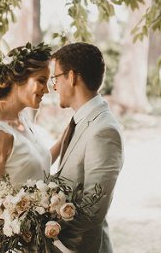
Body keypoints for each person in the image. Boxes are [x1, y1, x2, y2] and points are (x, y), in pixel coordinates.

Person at [51, 42, 124, 253]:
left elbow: (93, 210)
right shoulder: (80, 121)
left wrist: (42, 229)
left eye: (55, 78)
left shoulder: (104, 130)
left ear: (72, 77)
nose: (54, 86)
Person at [0, 42, 63, 196]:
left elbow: (35, 166)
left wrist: (64, 140)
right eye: (41, 81)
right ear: (18, 79)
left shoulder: (23, 119)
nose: (47, 90)